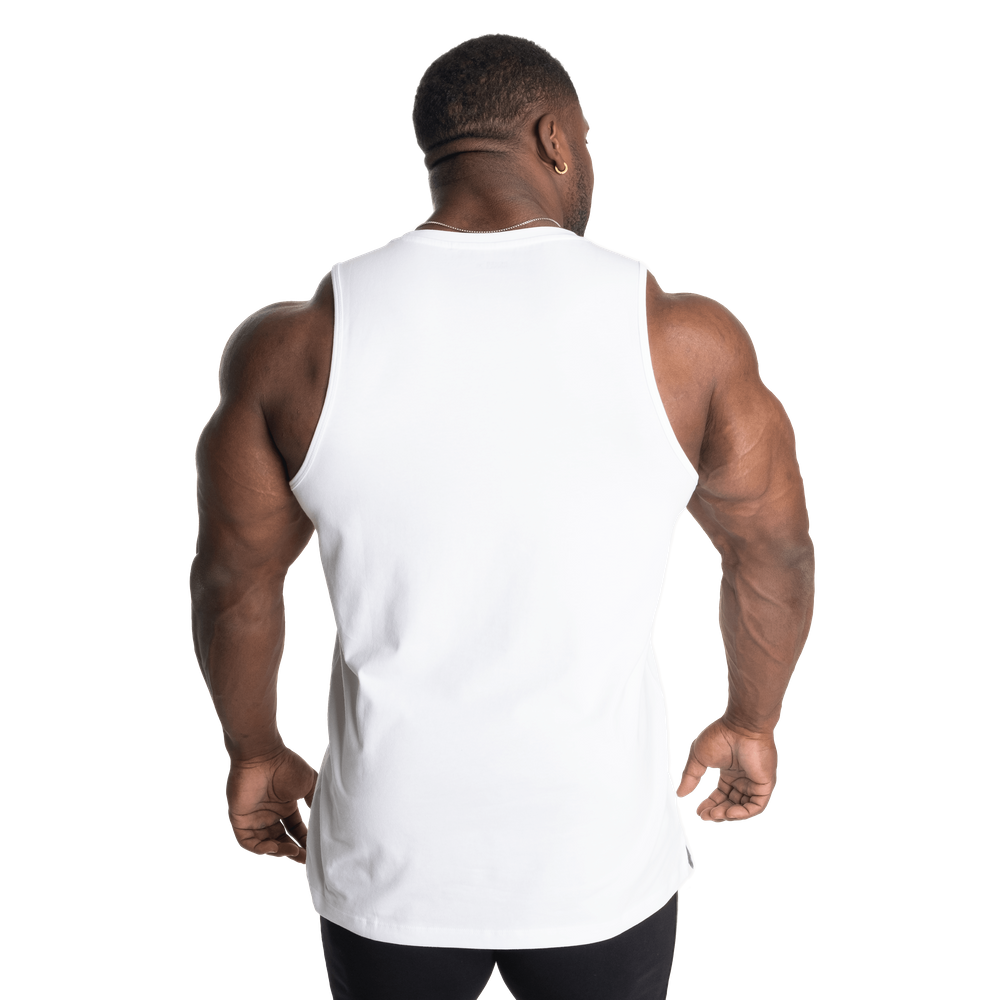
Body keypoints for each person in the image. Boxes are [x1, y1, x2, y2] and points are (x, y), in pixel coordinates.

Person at [190, 32, 814, 1000]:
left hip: (389, 852)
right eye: (587, 141)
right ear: (554, 139)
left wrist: (255, 750)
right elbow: (772, 551)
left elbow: (233, 580)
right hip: (598, 850)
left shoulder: (295, 344)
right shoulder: (684, 339)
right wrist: (750, 721)